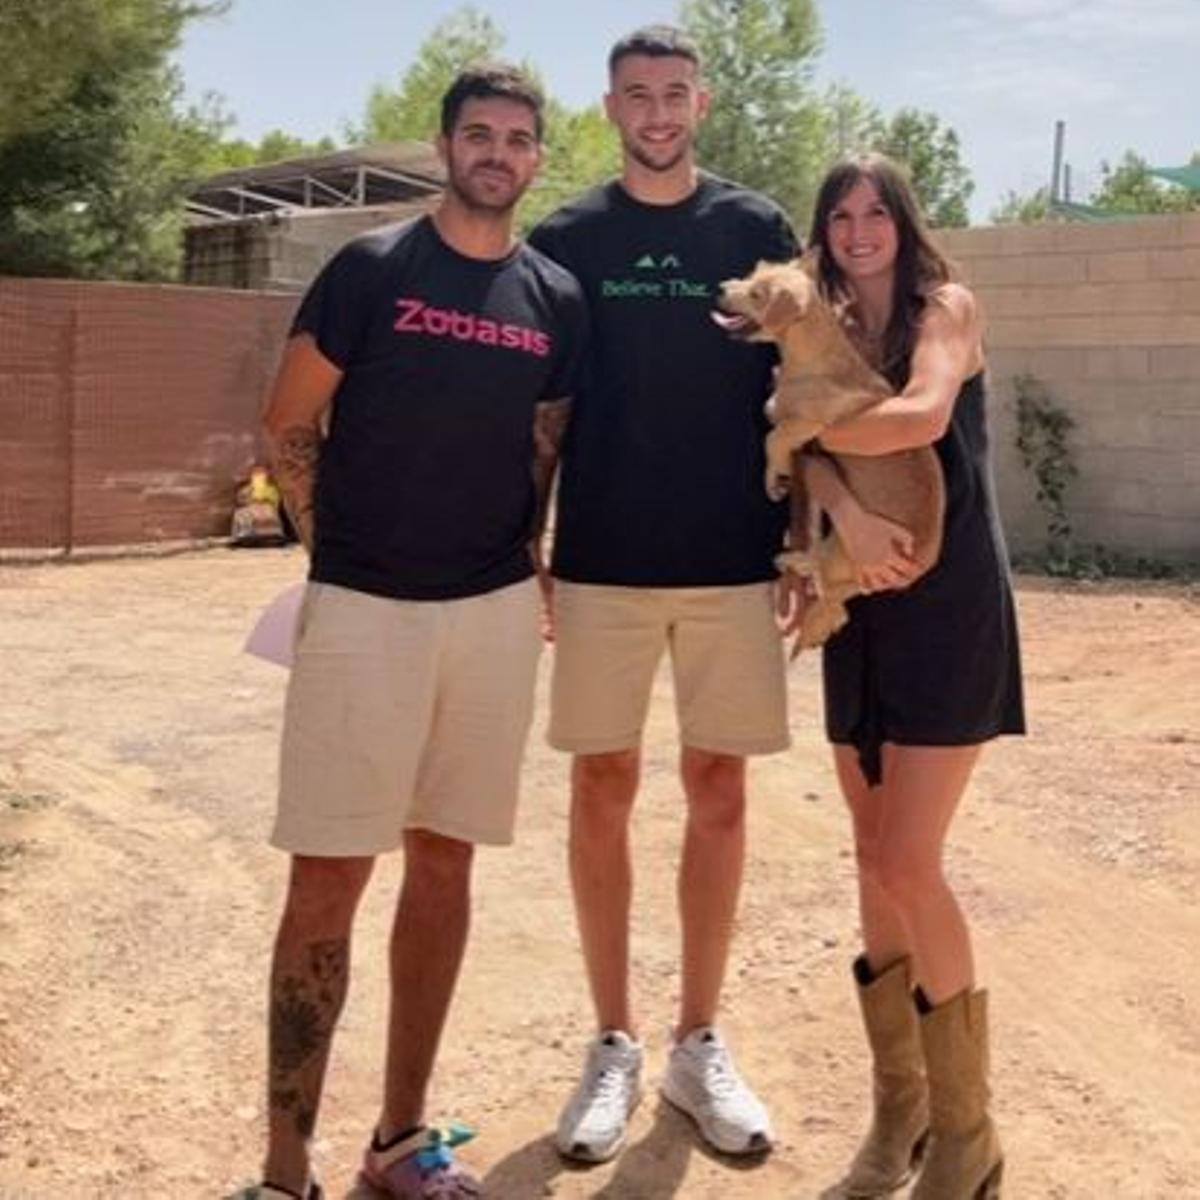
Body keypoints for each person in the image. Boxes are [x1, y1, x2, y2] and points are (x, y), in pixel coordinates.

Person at [236, 64, 586, 1200]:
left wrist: (530, 564)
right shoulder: (373, 269)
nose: (497, 153)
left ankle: (398, 1143)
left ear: (537, 159)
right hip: (363, 610)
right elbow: (290, 423)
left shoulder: (555, 299)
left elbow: (544, 445)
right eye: (479, 134)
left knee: (444, 867)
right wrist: (336, 560)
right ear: (445, 147)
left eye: (518, 139)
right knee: (327, 877)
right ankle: (284, 1170)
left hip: (491, 616)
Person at [527, 25, 800, 1163]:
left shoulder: (755, 228)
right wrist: (525, 539)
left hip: (735, 560)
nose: (656, 112)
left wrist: (809, 535)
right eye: (636, 94)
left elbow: (803, 384)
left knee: (718, 792)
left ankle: (698, 1042)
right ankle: (614, 1043)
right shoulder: (565, 239)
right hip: (601, 560)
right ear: (610, 108)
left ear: (701, 104)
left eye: (674, 93)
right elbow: (540, 404)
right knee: (602, 787)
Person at [793, 153, 1024, 1199]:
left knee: (908, 859)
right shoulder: (829, 328)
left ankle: (969, 1139)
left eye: (874, 211)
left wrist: (798, 426)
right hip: (861, 607)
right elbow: (811, 467)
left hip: (948, 608)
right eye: (840, 214)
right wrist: (838, 502)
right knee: (869, 856)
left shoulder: (946, 308)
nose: (857, 229)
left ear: (904, 221)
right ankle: (902, 1112)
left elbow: (926, 415)